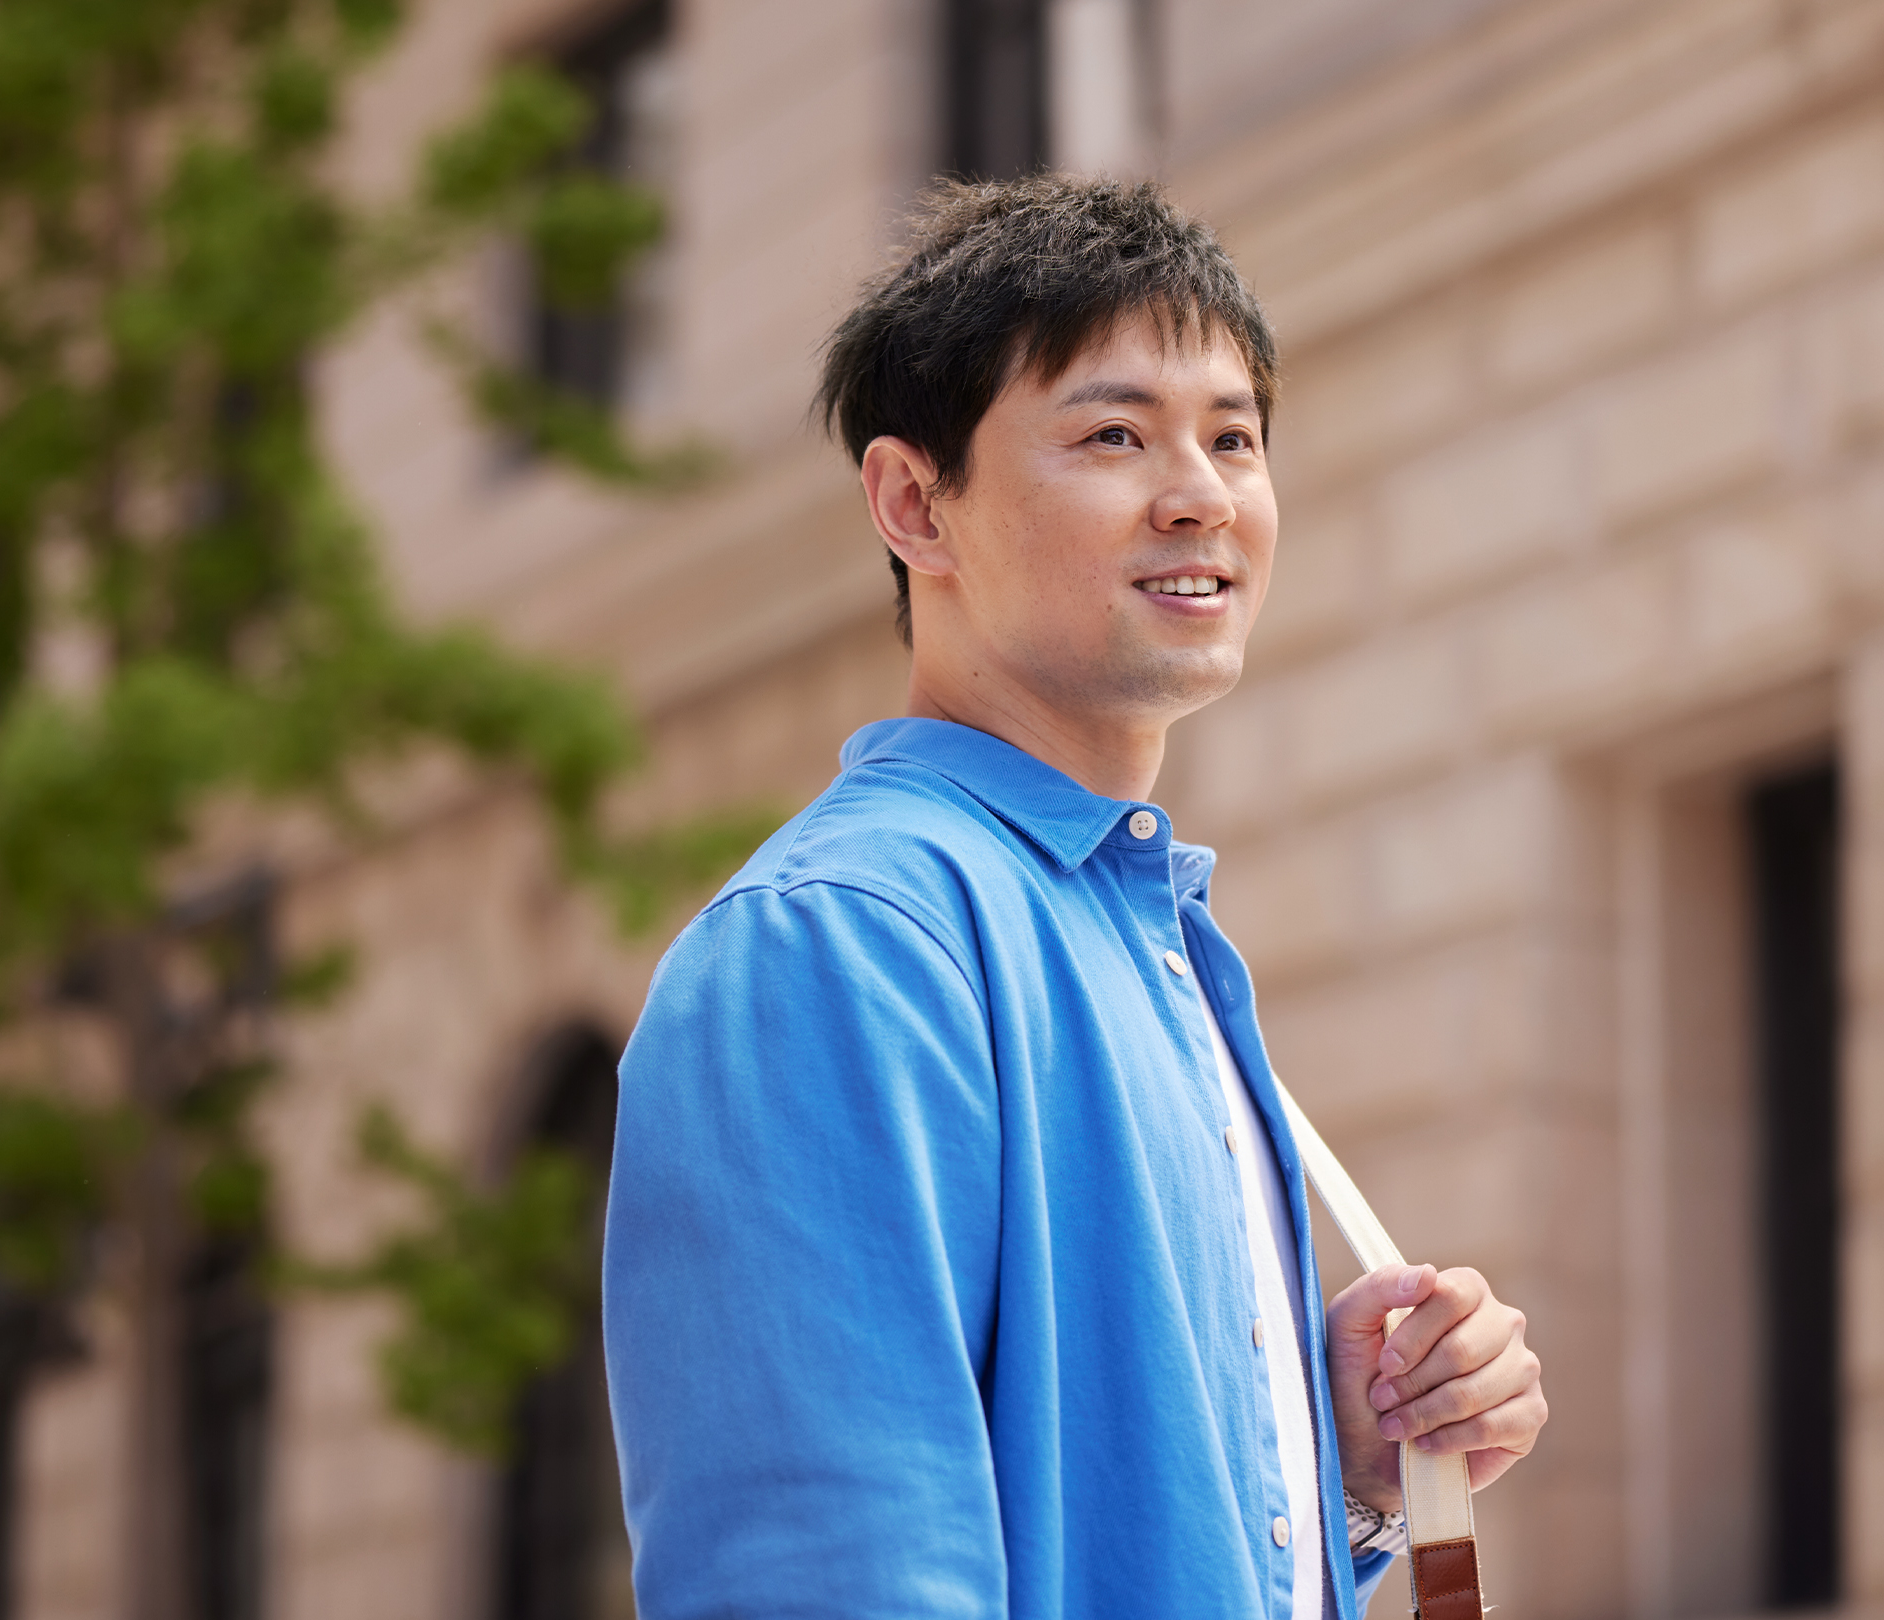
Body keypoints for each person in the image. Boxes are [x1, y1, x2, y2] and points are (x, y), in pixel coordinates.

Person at [603, 174, 1547, 1620]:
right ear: (917, 502)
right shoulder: (842, 943)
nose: (1202, 495)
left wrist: (1325, 1460)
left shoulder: (1150, 938)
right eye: (1114, 435)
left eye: (1234, 438)